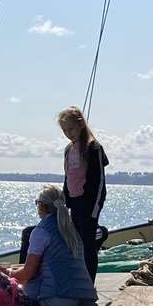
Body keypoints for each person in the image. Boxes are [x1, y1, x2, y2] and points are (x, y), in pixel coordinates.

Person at [5, 185, 97, 306]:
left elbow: (27, 274)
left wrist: (6, 273)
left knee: (9, 290)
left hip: (55, 301)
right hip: (81, 301)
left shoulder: (41, 232)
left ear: (41, 206)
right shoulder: (71, 230)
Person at [58, 105, 107, 280]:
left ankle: (89, 282)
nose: (68, 133)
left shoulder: (93, 148)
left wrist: (94, 209)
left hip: (89, 203)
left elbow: (98, 181)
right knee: (75, 242)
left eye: (71, 129)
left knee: (87, 244)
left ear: (80, 125)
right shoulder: (68, 149)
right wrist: (64, 201)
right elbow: (68, 177)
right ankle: (78, 279)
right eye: (64, 130)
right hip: (74, 202)